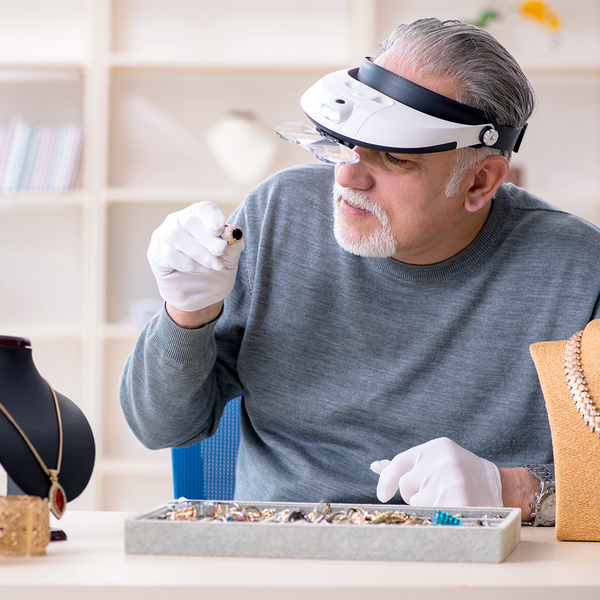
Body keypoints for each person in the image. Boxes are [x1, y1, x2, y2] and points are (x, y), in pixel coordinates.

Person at [119, 18, 600, 521]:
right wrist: (186, 314)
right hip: (284, 552)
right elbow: (161, 427)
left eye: (394, 157)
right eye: (345, 143)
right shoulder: (280, 213)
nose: (347, 176)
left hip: (480, 561)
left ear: (480, 181)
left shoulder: (577, 270)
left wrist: (516, 490)